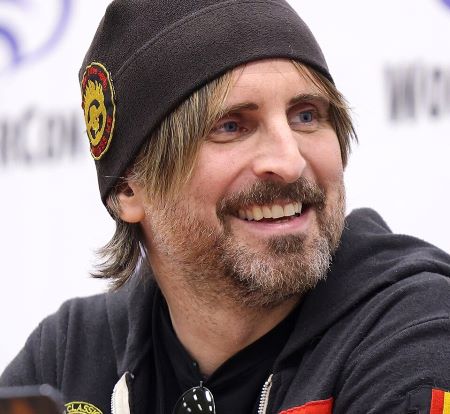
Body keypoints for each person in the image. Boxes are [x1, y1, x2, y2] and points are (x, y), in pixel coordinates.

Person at [2, 1, 450, 413]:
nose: (289, 162)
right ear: (128, 189)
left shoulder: (414, 331)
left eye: (306, 116)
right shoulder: (71, 356)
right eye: (231, 126)